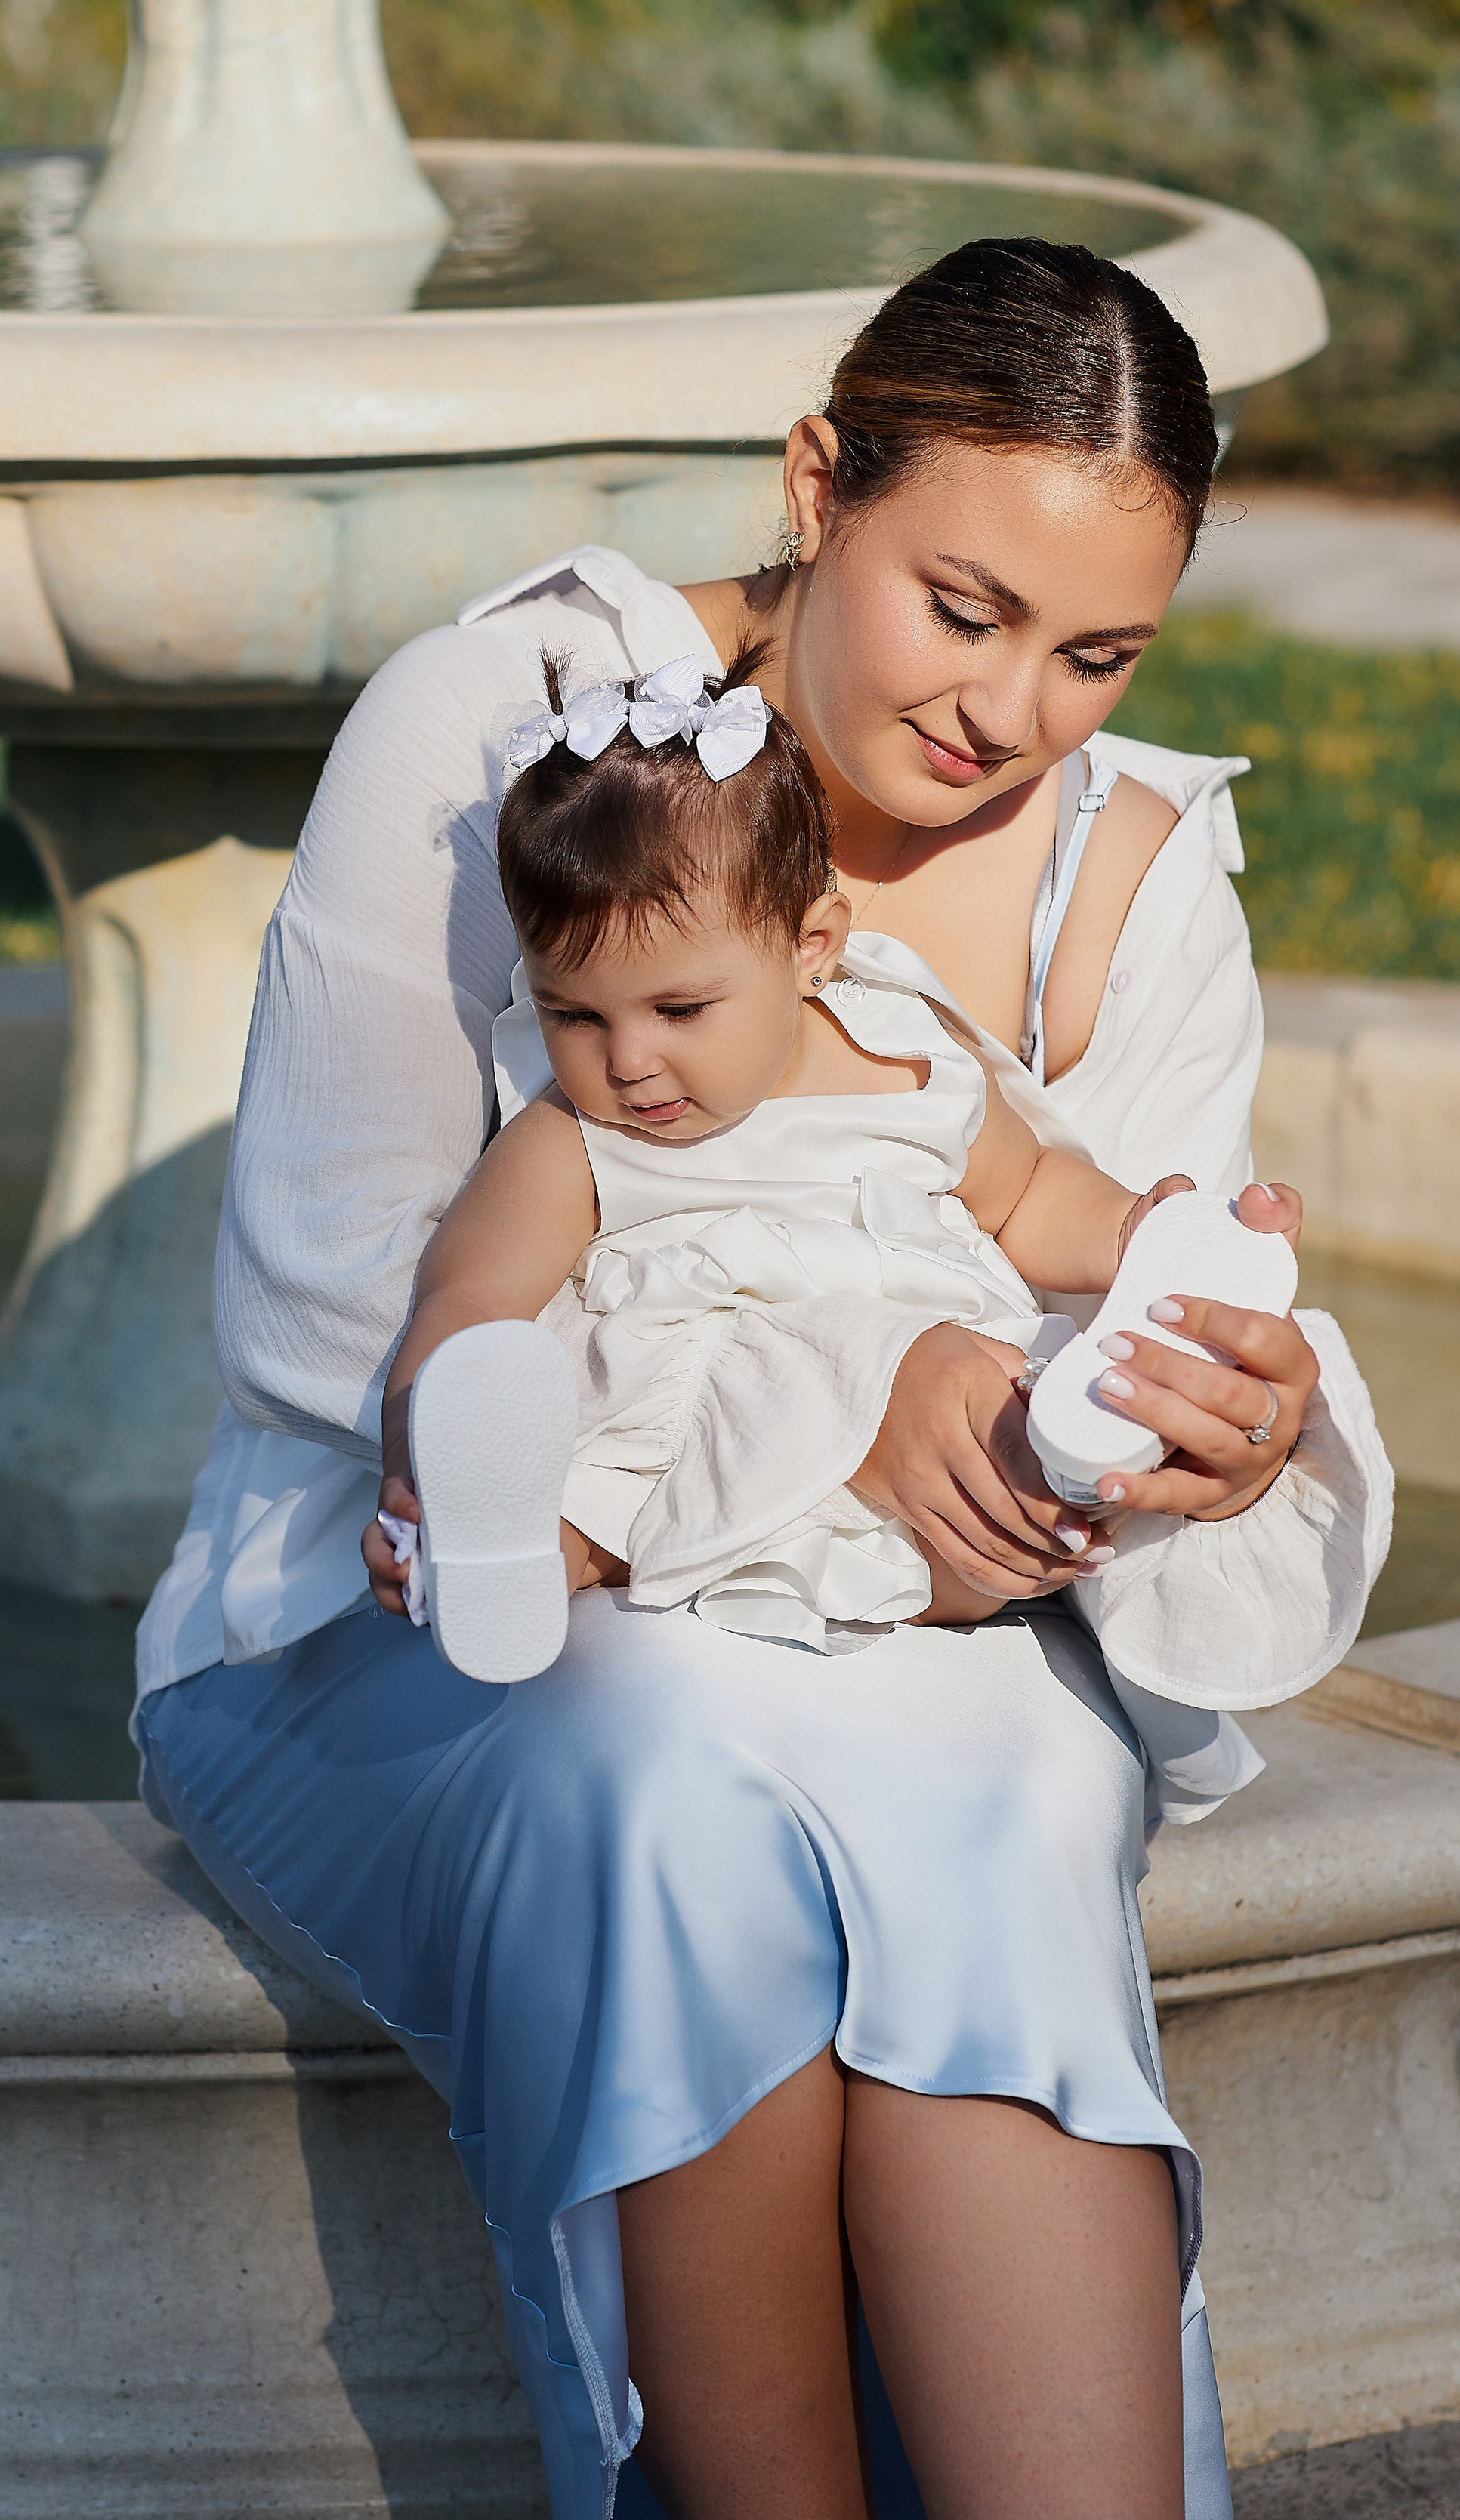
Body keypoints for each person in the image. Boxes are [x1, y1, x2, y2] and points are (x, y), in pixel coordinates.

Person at [134, 239, 1391, 2520]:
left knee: (1006, 1781)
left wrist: (1195, 1421)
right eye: (962, 607)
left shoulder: (1133, 874)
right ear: (818, 485)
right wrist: (841, 1398)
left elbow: (1114, 1273)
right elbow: (329, 1322)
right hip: (441, 1609)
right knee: (663, 1776)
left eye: (1094, 652)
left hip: (929, 1627)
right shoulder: (510, 736)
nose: (1009, 712)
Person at [358, 646, 1308, 1743]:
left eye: (679, 1010)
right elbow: (469, 1301)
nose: (626, 1062)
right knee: (601, 1496)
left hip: (931, 1486)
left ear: (812, 947)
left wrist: (1139, 1230)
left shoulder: (910, 1062)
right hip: (698, 1449)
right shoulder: (574, 1141)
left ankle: (1102, 1458)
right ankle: (512, 1559)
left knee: (1035, 1458)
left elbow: (1029, 1194)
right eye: (574, 1015)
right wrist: (424, 1465)